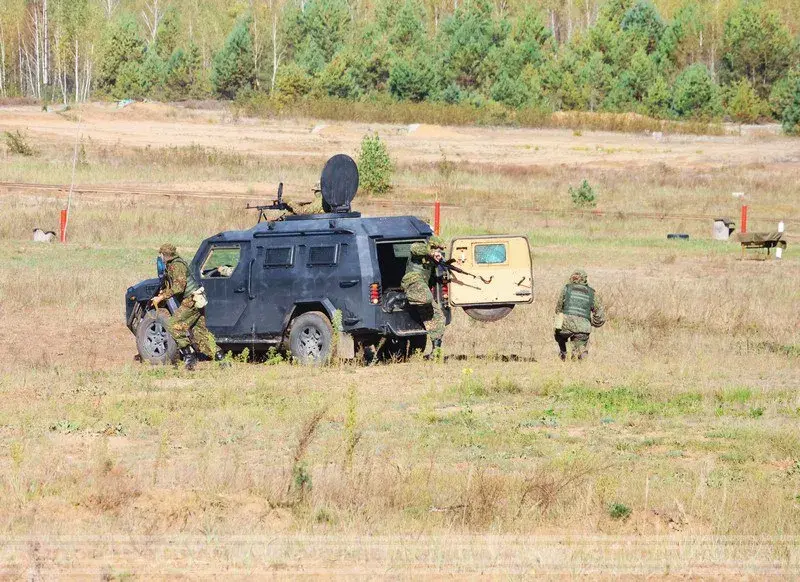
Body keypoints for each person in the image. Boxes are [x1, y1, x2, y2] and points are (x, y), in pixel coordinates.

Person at [150, 243, 226, 370]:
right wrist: (162, 293)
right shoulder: (173, 264)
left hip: (191, 300)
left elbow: (179, 288)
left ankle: (189, 355)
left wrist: (162, 297)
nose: (161, 257)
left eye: (162, 254)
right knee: (200, 335)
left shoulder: (176, 265)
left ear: (165, 255)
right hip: (195, 299)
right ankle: (221, 359)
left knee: (173, 325)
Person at [401, 235, 447, 354]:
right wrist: (431, 253)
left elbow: (432, 278)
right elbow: (414, 248)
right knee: (426, 297)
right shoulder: (419, 247)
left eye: (439, 250)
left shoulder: (433, 260)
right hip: (412, 281)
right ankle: (402, 298)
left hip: (422, 287)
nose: (438, 251)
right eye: (436, 248)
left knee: (439, 317)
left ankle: (436, 349)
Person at [554, 269, 605, 360]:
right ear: (584, 279)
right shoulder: (591, 293)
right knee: (579, 346)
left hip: (565, 326)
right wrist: (591, 322)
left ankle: (563, 352)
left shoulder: (567, 288)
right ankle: (579, 354)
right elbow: (600, 315)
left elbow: (558, 309)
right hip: (583, 327)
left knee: (558, 333)